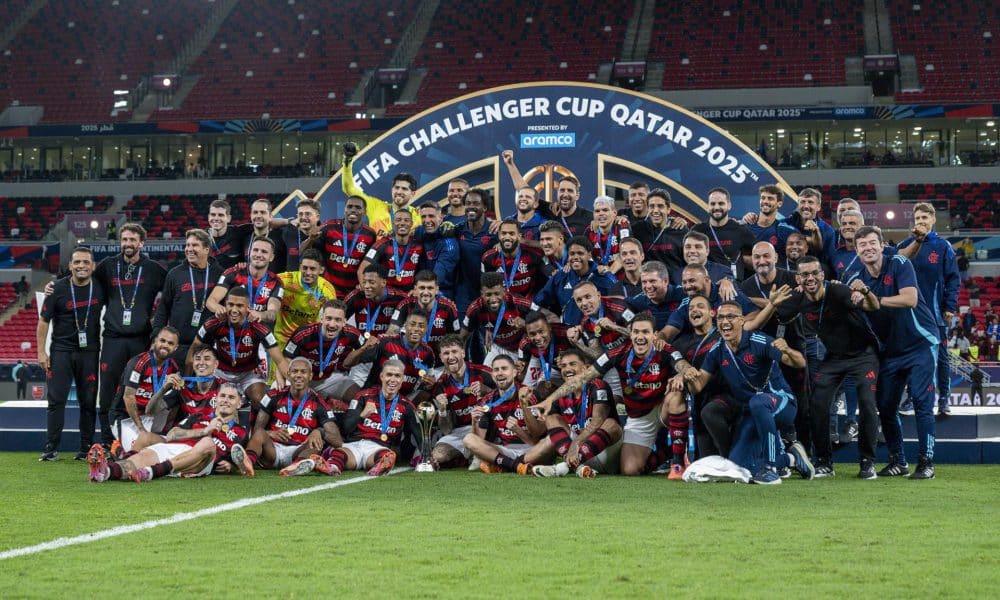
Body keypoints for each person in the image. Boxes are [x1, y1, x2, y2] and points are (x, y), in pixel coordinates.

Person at [537, 313, 694, 478]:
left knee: (676, 393)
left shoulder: (665, 349)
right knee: (630, 470)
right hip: (638, 417)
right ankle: (669, 452)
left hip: (662, 407)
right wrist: (550, 399)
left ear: (654, 335)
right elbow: (581, 378)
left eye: (645, 332)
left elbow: (684, 366)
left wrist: (681, 375)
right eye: (636, 332)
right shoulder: (617, 353)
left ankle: (677, 463)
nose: (640, 337)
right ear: (630, 334)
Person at [682, 302, 815, 485]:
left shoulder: (759, 341)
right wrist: (688, 376)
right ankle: (791, 459)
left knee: (758, 402)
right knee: (740, 466)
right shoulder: (717, 350)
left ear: (742, 321)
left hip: (782, 403)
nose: (725, 322)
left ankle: (770, 469)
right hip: (752, 411)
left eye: (731, 317)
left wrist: (787, 350)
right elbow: (698, 387)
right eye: (721, 318)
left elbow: (800, 363)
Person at [845, 225, 940, 480]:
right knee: (885, 407)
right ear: (856, 250)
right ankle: (898, 461)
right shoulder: (855, 279)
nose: (868, 248)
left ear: (881, 245)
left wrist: (872, 299)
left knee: (922, 403)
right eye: (862, 245)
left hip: (921, 343)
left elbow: (910, 299)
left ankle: (926, 462)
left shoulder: (898, 262)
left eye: (872, 243)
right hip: (889, 352)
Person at [777, 256, 881, 479]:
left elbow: (874, 306)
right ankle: (824, 461)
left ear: (822, 275)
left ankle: (867, 462)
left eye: (815, 273)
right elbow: (778, 316)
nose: (810, 278)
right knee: (817, 404)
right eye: (805, 275)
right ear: (798, 279)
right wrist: (772, 303)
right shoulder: (797, 299)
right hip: (833, 357)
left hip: (863, 355)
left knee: (867, 401)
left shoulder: (839, 292)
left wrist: (865, 293)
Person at [89, 223, 167, 449]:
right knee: (107, 390)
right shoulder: (107, 266)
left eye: (133, 240)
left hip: (141, 339)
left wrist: (157, 325)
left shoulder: (153, 269)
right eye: (124, 240)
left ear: (142, 243)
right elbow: (83, 280)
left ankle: (136, 437)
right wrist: (56, 285)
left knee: (136, 389)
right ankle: (106, 440)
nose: (128, 244)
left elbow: (171, 292)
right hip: (113, 339)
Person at [87, 383, 250, 482]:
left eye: (231, 397)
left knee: (208, 443)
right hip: (176, 450)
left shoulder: (240, 431)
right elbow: (172, 435)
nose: (225, 400)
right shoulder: (200, 416)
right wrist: (205, 430)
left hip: (201, 462)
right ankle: (104, 472)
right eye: (222, 396)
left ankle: (151, 472)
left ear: (239, 403)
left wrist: (231, 465)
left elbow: (242, 459)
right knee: (140, 458)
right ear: (216, 398)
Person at [37, 247, 106, 461]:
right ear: (70, 266)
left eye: (86, 262)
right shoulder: (57, 288)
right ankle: (51, 448)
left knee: (87, 401)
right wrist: (41, 352)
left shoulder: (101, 287)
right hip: (61, 352)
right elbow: (43, 322)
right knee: (56, 400)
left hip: (90, 352)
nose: (81, 266)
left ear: (93, 265)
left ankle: (85, 448)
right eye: (77, 262)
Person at [897, 202, 961, 415]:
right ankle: (913, 398)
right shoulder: (906, 245)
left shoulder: (943, 247)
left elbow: (953, 278)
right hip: (911, 313)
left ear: (933, 220)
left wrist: (950, 306)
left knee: (941, 357)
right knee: (911, 357)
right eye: (918, 219)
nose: (921, 222)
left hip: (936, 314)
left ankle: (944, 399)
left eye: (925, 218)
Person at [233, 357, 342, 476]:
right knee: (260, 434)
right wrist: (270, 433)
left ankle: (296, 466)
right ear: (288, 374)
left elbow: (337, 441)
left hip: (299, 450)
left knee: (315, 444)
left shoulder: (319, 403)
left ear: (310, 376)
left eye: (303, 372)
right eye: (295, 371)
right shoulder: (273, 396)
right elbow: (257, 431)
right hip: (273, 450)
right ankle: (247, 463)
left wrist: (319, 431)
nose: (298, 375)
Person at [186, 286, 288, 411]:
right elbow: (194, 348)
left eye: (239, 306)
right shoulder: (214, 322)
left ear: (248, 308)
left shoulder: (259, 327)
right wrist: (186, 382)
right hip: (220, 373)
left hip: (249, 374)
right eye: (231, 305)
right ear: (225, 305)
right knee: (210, 401)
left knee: (261, 402)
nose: (234, 310)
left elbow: (281, 360)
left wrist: (294, 387)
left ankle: (256, 430)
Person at [318, 359, 421, 476]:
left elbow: (418, 433)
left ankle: (380, 466)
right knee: (341, 454)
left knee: (386, 455)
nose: (392, 379)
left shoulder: (406, 406)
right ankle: (332, 467)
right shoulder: (363, 396)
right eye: (389, 375)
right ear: (381, 376)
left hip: (378, 448)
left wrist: (427, 456)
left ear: (402, 379)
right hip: (354, 445)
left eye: (397, 376)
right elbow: (346, 428)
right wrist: (362, 415)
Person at [531, 348, 623, 478]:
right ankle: (575, 466)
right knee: (551, 419)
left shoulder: (598, 385)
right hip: (578, 453)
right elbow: (541, 429)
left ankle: (562, 468)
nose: (567, 369)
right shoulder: (561, 394)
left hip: (605, 452)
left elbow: (598, 420)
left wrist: (576, 443)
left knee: (611, 424)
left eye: (572, 364)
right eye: (563, 366)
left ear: (586, 368)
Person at [463, 355, 547, 474]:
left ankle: (503, 465)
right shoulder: (488, 401)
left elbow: (537, 436)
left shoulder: (530, 394)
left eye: (504, 368)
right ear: (492, 375)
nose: (500, 373)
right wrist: (474, 422)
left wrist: (519, 429)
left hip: (533, 450)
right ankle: (514, 466)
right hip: (505, 451)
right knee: (469, 439)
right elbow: (478, 442)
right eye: (496, 370)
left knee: (550, 441)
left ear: (514, 372)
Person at [152, 229, 223, 366]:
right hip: (179, 347)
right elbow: (163, 309)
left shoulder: (219, 274)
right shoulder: (175, 274)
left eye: (194, 245)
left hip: (209, 347)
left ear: (206, 249)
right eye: (187, 245)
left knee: (205, 387)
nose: (189, 249)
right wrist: (156, 337)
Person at [107, 327, 182, 454]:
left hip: (151, 417)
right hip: (125, 417)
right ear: (155, 341)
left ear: (176, 348)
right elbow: (128, 397)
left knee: (156, 451)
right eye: (162, 341)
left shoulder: (173, 368)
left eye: (170, 343)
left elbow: (173, 404)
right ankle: (117, 448)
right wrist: (141, 429)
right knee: (137, 451)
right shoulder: (138, 363)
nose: (165, 345)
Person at [426, 335, 495, 468]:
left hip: (488, 428)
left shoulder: (483, 373)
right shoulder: (440, 386)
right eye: (446, 353)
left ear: (463, 353)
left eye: (454, 351)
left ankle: (476, 453)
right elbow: (446, 430)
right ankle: (469, 455)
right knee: (438, 455)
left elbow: (510, 394)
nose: (450, 357)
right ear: (441, 357)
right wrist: (442, 411)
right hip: (461, 431)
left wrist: (487, 391)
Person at [283, 299, 363, 407]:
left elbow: (368, 351)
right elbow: (287, 358)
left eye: (338, 320)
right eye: (328, 318)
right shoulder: (304, 333)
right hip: (300, 377)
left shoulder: (351, 334)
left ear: (344, 322)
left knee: (360, 399)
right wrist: (297, 382)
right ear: (321, 318)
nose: (332, 324)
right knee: (280, 401)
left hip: (330, 378)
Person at [341, 142, 420, 237]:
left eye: (404, 189)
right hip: (377, 251)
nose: (399, 192)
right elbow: (348, 188)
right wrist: (348, 161)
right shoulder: (375, 206)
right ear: (392, 189)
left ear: (413, 193)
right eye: (396, 187)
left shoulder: (418, 216)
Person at [302, 195, 376, 298]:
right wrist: (311, 239)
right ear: (344, 209)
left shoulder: (370, 235)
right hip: (327, 290)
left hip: (354, 293)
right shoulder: (328, 228)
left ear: (364, 212)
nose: (353, 210)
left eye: (358, 207)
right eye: (349, 207)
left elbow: (370, 265)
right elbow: (302, 252)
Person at [533, 236, 617, 326]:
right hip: (569, 333)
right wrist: (551, 316)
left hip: (598, 332)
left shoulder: (603, 276)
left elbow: (618, 304)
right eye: (572, 254)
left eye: (580, 253)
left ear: (589, 255)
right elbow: (537, 301)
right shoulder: (560, 277)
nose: (576, 257)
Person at [206, 236, 284, 325]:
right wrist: (219, 309)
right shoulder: (232, 273)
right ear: (249, 252)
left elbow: (272, 314)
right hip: (230, 330)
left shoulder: (276, 282)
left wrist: (260, 315)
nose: (258, 255)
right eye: (255, 250)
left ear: (271, 257)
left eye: (264, 252)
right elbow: (211, 301)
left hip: (257, 332)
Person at [462, 272, 533, 365]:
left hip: (520, 350)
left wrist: (526, 324)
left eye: (496, 293)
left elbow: (544, 318)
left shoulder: (517, 302)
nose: (493, 299)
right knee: (486, 376)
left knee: (518, 377)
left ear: (504, 291)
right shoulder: (475, 308)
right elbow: (463, 336)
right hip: (497, 347)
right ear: (481, 294)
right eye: (488, 294)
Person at [387, 270, 461, 357]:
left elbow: (455, 339)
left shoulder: (448, 308)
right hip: (409, 361)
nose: (426, 293)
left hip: (439, 363)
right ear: (415, 289)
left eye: (430, 288)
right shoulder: (406, 305)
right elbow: (392, 332)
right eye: (422, 288)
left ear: (437, 290)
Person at [274, 248, 337, 347]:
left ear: (321, 270)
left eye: (312, 269)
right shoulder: (286, 280)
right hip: (281, 339)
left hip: (307, 340)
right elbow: (263, 280)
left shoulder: (327, 290)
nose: (307, 272)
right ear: (300, 267)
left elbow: (331, 320)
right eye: (305, 268)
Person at [691, 187, 755, 280]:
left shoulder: (740, 230)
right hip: (706, 285)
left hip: (733, 286)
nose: (716, 207)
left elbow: (757, 254)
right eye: (713, 204)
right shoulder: (698, 230)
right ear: (708, 206)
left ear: (729, 205)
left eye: (721, 203)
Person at [454, 188, 498, 316]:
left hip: (489, 291)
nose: (471, 207)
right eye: (468, 203)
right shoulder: (458, 230)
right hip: (464, 293)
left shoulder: (494, 230)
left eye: (476, 203)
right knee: (464, 332)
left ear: (484, 207)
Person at [358, 208, 424, 293]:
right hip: (386, 297)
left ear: (411, 224)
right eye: (398, 220)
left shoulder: (418, 246)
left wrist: (416, 290)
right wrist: (368, 292)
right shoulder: (382, 244)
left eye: (406, 220)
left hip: (408, 296)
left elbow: (423, 273)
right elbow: (362, 270)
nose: (402, 223)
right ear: (393, 224)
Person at [481, 219, 545, 299]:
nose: (507, 237)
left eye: (511, 233)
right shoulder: (488, 258)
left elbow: (542, 283)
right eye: (504, 233)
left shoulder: (533, 256)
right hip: (502, 305)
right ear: (499, 236)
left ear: (519, 236)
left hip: (529, 304)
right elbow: (486, 287)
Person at [629, 189, 687, 272]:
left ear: (668, 209)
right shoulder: (637, 230)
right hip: (648, 282)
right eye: (652, 206)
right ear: (648, 209)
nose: (655, 211)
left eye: (660, 206)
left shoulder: (680, 229)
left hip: (675, 283)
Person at [413, 200, 460, 297]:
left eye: (431, 216)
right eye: (423, 217)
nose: (427, 220)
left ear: (441, 218)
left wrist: (420, 290)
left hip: (442, 291)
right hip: (421, 286)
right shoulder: (420, 231)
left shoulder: (449, 244)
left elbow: (438, 277)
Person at [518, 311, 573, 390]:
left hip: (572, 366)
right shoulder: (525, 343)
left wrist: (568, 358)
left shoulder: (566, 333)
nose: (538, 338)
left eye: (541, 331)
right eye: (532, 334)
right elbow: (521, 365)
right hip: (551, 367)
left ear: (549, 327)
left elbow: (586, 359)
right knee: (542, 390)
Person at [625, 261, 687, 330]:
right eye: (644, 282)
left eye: (652, 281)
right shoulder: (640, 299)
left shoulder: (683, 293)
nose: (648, 286)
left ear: (665, 281)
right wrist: (629, 322)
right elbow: (621, 303)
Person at [586, 195, 629, 278]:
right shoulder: (590, 230)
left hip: (621, 279)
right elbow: (585, 253)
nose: (601, 214)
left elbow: (626, 252)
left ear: (614, 213)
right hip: (599, 277)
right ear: (593, 214)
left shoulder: (622, 226)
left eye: (605, 210)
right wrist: (596, 267)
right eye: (597, 211)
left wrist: (610, 271)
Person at [206, 199, 249, 270]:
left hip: (233, 279)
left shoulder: (239, 232)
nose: (216, 218)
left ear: (228, 218)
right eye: (213, 215)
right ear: (208, 217)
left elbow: (264, 224)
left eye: (221, 215)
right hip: (211, 279)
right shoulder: (201, 237)